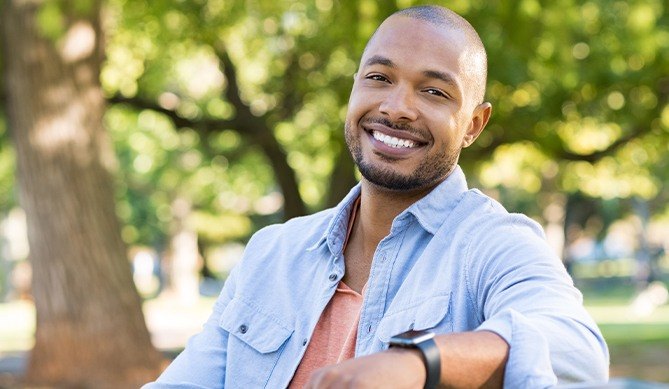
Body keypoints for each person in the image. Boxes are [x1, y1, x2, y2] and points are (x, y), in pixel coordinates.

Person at [144, 5, 609, 388]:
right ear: (354, 87)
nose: (395, 108)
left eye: (433, 91)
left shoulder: (493, 246)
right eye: (380, 78)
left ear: (473, 125)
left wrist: (418, 363)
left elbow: (577, 353)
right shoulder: (273, 252)